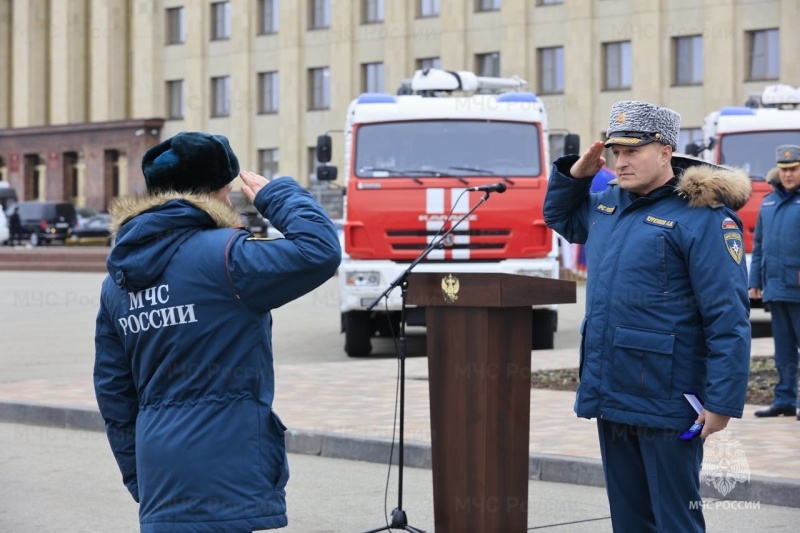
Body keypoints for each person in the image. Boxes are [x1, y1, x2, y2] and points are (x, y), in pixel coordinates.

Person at [93, 131, 342, 532]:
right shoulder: (228, 258)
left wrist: (139, 475)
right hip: (231, 472)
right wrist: (277, 195)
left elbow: (114, 394)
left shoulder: (117, 280)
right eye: (227, 192)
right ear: (215, 193)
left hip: (161, 476)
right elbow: (320, 251)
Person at [544, 101, 751, 532]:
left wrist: (722, 403)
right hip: (613, 389)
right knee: (629, 519)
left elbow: (728, 318)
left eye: (633, 151)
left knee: (675, 520)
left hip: (668, 396)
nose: (621, 161)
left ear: (665, 152)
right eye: (616, 152)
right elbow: (560, 217)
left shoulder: (703, 218)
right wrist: (574, 176)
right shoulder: (608, 205)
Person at [749, 144, 800, 419]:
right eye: (784, 169)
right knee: (783, 351)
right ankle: (784, 400)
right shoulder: (768, 203)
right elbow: (759, 246)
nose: (788, 174)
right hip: (776, 288)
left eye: (793, 169)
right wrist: (755, 280)